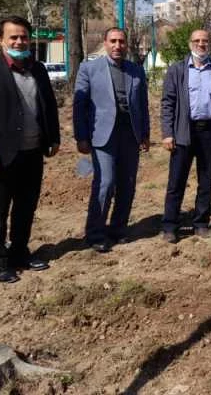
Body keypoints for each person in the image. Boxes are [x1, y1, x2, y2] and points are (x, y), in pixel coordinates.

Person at [0, 16, 60, 283]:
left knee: (25, 207)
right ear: (1, 40)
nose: (19, 41)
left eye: (23, 37)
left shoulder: (38, 69)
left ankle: (19, 251)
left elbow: (48, 106)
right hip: (0, 155)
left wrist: (53, 138)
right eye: (13, 37)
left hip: (32, 152)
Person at [73, 27, 150, 252]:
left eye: (122, 42)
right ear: (105, 43)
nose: (118, 45)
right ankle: (95, 233)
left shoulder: (136, 70)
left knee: (127, 184)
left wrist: (145, 133)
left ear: (126, 45)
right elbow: (80, 105)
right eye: (113, 41)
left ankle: (118, 229)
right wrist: (81, 136)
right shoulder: (89, 69)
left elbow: (142, 105)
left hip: (130, 134)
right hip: (102, 135)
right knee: (105, 183)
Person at [160, 29, 211, 242]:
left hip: (208, 133)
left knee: (206, 180)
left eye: (205, 41)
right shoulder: (177, 70)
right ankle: (170, 225)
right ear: (190, 43)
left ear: (210, 44)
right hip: (183, 132)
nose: (201, 44)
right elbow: (167, 103)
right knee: (176, 181)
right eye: (197, 40)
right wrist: (167, 133)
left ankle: (201, 222)